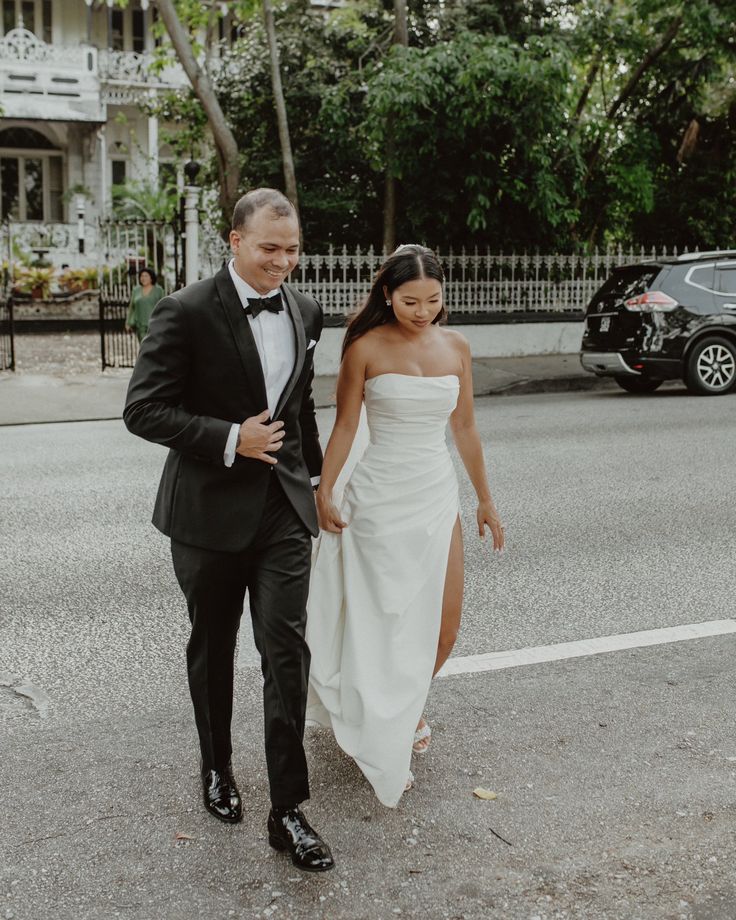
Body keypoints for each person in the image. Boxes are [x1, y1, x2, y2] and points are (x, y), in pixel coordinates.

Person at [123, 188, 334, 872]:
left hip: (281, 510)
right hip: (208, 511)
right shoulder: (183, 312)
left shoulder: (305, 310)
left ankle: (288, 810)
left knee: (286, 652)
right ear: (235, 242)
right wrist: (227, 438)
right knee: (213, 648)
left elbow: (297, 405)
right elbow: (144, 410)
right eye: (269, 249)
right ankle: (216, 768)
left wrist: (316, 480)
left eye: (293, 250)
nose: (282, 263)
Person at [306, 244, 505, 807]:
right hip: (377, 500)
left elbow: (464, 427)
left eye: (433, 300)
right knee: (382, 621)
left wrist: (485, 500)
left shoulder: (457, 346)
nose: (423, 311)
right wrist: (326, 489)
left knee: (443, 626)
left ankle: (410, 704)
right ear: (387, 295)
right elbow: (345, 427)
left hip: (435, 495)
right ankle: (378, 725)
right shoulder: (365, 347)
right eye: (410, 301)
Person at [125, 267, 165, 342]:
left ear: (151, 278)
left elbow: (164, 307)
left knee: (154, 347)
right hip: (140, 326)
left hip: (155, 324)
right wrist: (128, 323)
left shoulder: (159, 290)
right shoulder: (136, 290)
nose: (143, 278)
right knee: (144, 346)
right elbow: (131, 308)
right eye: (141, 276)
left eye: (146, 276)